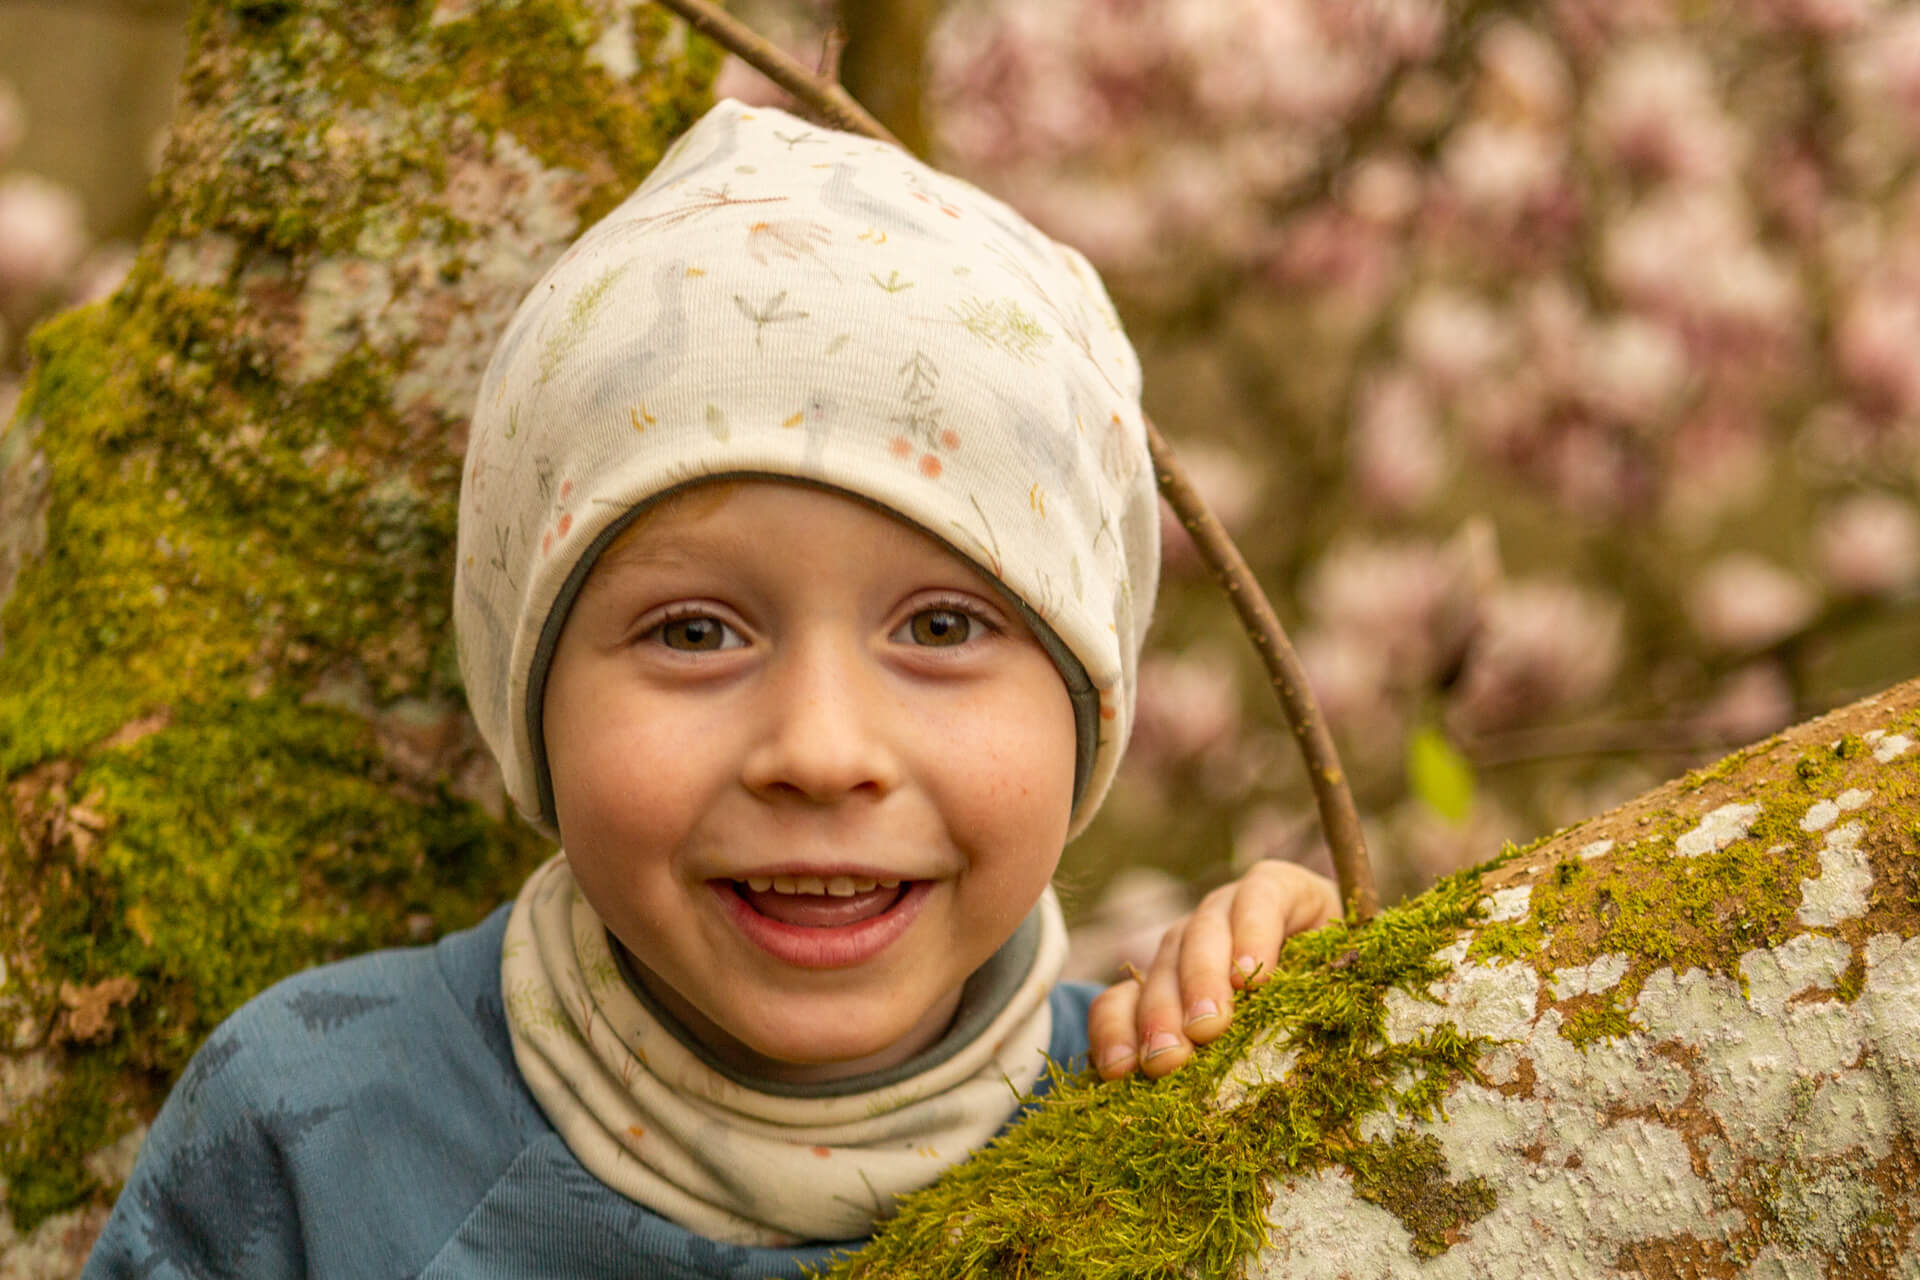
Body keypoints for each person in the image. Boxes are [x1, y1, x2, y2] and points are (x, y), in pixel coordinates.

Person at [83, 99, 1336, 1278]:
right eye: (694, 632)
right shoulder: (315, 1128)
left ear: (1089, 707)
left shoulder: (1193, 1124)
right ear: (531, 699)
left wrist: (1347, 1025)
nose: (821, 747)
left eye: (944, 624)